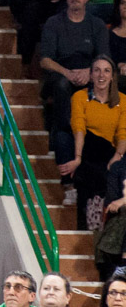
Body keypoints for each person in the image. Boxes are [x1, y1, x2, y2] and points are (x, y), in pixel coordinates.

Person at [41, 0, 110, 190]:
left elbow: (105, 58)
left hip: (90, 74)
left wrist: (89, 72)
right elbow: (45, 60)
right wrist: (68, 73)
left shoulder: (97, 25)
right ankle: (66, 130)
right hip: (61, 73)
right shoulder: (54, 22)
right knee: (62, 87)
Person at [58, 55, 126, 229]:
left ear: (112, 76)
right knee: (71, 141)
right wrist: (78, 157)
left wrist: (117, 156)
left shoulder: (123, 101)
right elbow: (79, 127)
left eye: (106, 71)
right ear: (91, 75)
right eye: (97, 70)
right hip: (86, 149)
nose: (101, 75)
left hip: (111, 152)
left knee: (109, 169)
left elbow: (123, 133)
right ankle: (88, 219)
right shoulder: (80, 97)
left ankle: (98, 222)